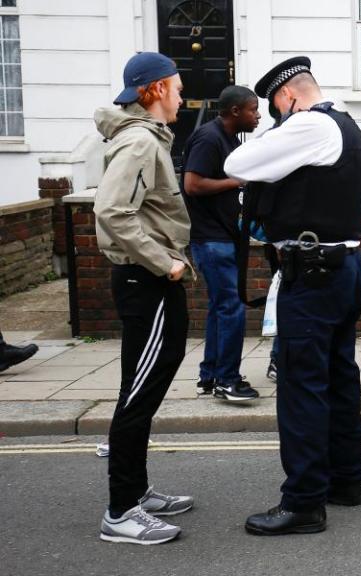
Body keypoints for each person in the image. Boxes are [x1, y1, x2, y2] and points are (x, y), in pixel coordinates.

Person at [224, 57, 361, 536]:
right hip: (343, 267)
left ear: (287, 97)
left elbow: (236, 163)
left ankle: (304, 501)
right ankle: (345, 480)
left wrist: (272, 132)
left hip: (312, 275)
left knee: (302, 384)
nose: (274, 119)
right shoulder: (346, 125)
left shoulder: (310, 124)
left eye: (275, 110)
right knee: (338, 377)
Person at [94, 52, 193, 545]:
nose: (182, 96)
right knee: (138, 394)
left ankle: (137, 491)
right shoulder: (138, 141)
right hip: (146, 281)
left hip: (151, 281)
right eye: (176, 87)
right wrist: (166, 262)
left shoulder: (147, 137)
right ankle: (121, 511)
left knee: (146, 387)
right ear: (154, 90)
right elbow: (113, 211)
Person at [182, 85, 261, 402]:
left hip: (223, 237)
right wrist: (238, 181)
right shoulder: (209, 137)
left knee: (221, 309)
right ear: (234, 112)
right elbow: (192, 183)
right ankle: (227, 380)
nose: (257, 116)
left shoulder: (228, 139)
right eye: (253, 110)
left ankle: (210, 376)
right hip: (211, 239)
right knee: (231, 310)